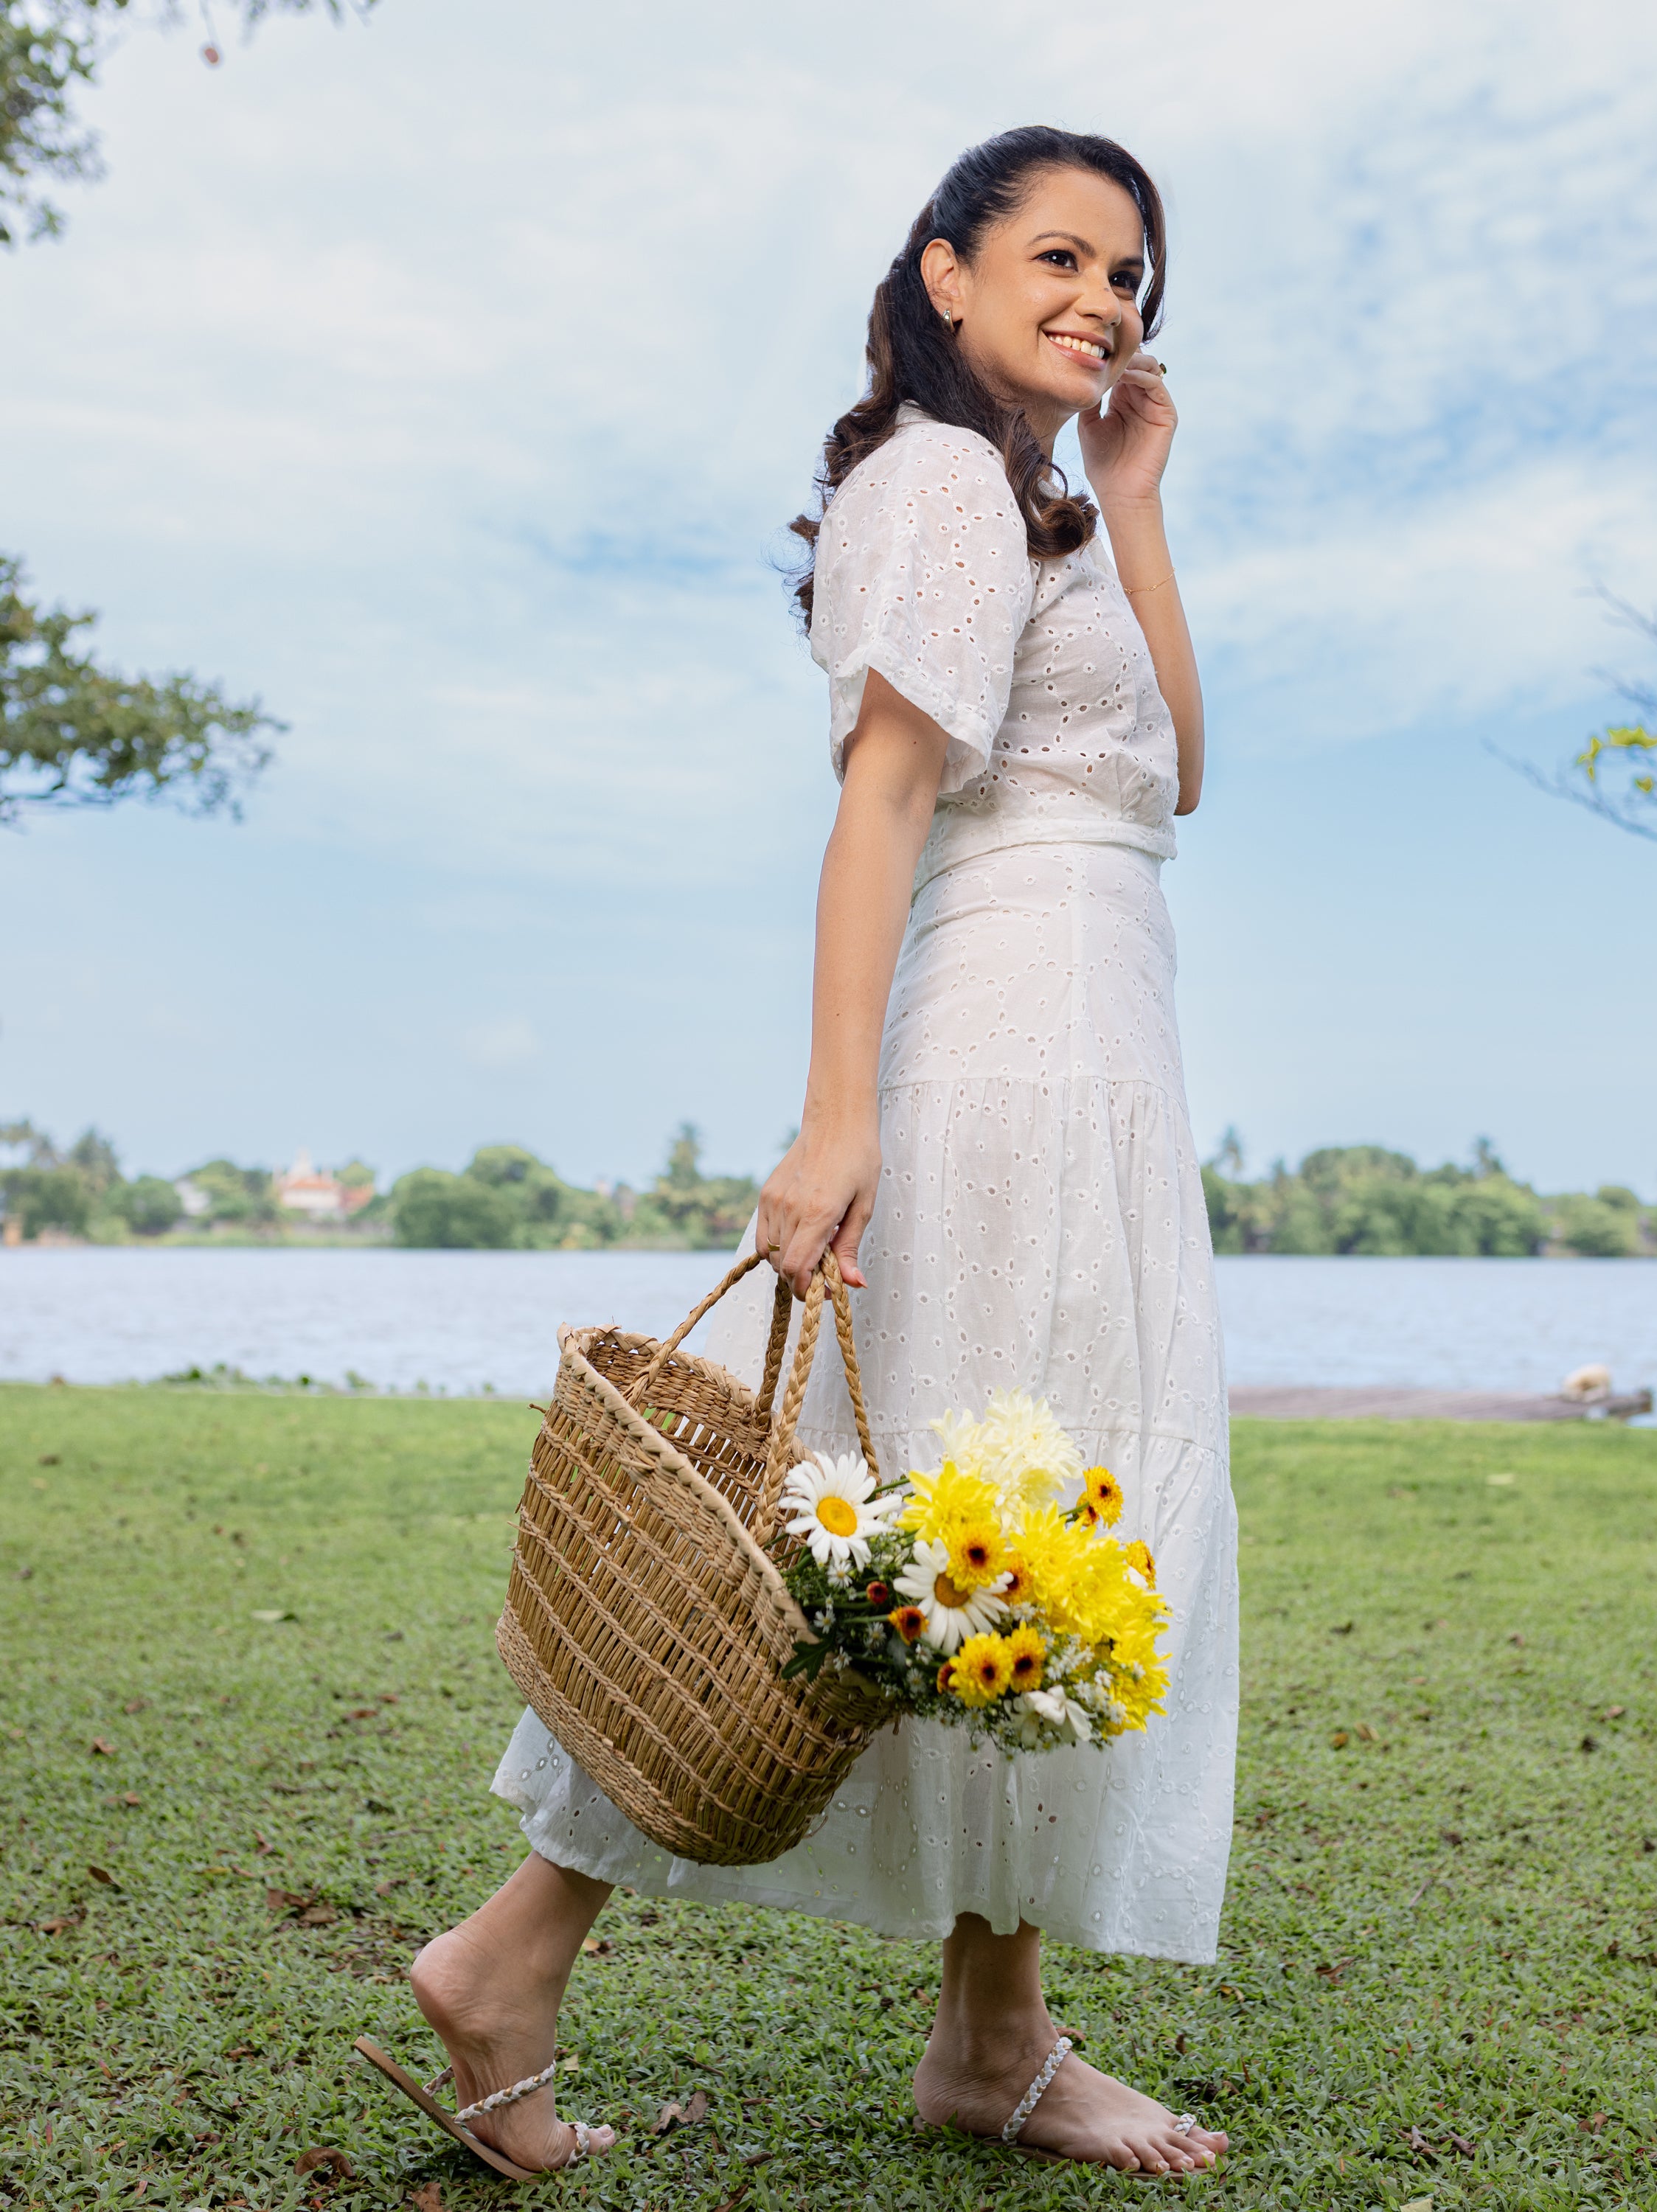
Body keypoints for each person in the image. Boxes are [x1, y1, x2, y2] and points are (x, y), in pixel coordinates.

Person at [403, 125, 1237, 2180]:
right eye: (1062, 254)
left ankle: (993, 2036)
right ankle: (514, 1954)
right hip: (1013, 1037)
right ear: (946, 269)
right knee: (921, 1520)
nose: (1106, 298)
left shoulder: (1038, 503)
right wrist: (836, 1118)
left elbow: (1178, 777)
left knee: (1026, 1528)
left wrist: (1133, 498)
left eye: (1132, 273)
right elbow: (881, 800)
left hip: (1100, 1028)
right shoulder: (939, 481)